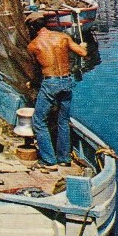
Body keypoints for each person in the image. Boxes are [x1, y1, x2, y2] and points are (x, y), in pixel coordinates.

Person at [27, 13, 87, 169]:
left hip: (50, 83)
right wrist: (83, 46)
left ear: (33, 27)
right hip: (67, 81)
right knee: (63, 120)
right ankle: (64, 158)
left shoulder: (33, 45)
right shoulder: (63, 37)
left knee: (39, 121)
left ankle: (49, 160)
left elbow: (36, 69)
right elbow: (83, 53)